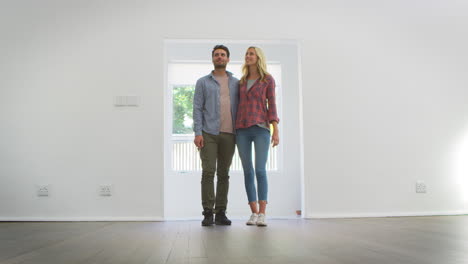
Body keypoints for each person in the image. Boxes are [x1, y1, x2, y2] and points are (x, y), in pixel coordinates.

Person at [193, 45, 239, 226]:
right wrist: (197, 133)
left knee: (224, 173)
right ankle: (207, 213)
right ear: (212, 59)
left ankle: (221, 212)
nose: (220, 57)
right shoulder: (203, 82)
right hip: (208, 133)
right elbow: (197, 108)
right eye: (217, 55)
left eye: (223, 55)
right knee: (208, 171)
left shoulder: (236, 83)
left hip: (230, 134)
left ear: (228, 59)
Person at [235, 46, 279, 227]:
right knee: (247, 171)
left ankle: (263, 213)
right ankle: (253, 213)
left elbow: (272, 104)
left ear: (258, 57)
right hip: (242, 130)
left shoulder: (267, 79)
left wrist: (275, 129)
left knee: (260, 170)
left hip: (261, 128)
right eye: (246, 53)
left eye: (251, 53)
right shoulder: (241, 82)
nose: (248, 56)